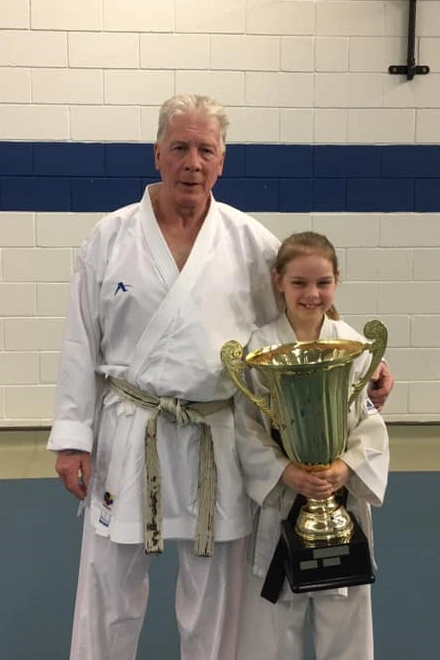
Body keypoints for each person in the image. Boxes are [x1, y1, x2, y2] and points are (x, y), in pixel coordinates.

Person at [47, 95, 393, 660]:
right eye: (180, 147)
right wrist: (71, 438)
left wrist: (361, 360)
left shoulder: (249, 241)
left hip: (217, 431)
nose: (192, 162)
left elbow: (302, 307)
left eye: (205, 150)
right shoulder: (108, 239)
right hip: (130, 428)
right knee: (110, 579)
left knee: (215, 593)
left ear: (222, 160)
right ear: (157, 153)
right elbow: (80, 339)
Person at [235, 231, 390, 660]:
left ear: (336, 281)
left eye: (322, 282)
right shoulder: (258, 347)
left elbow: (368, 422)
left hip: (340, 500)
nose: (311, 293)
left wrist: (347, 467)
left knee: (346, 611)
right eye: (299, 283)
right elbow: (247, 426)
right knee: (274, 615)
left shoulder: (354, 345)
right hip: (283, 496)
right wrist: (285, 471)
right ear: (277, 281)